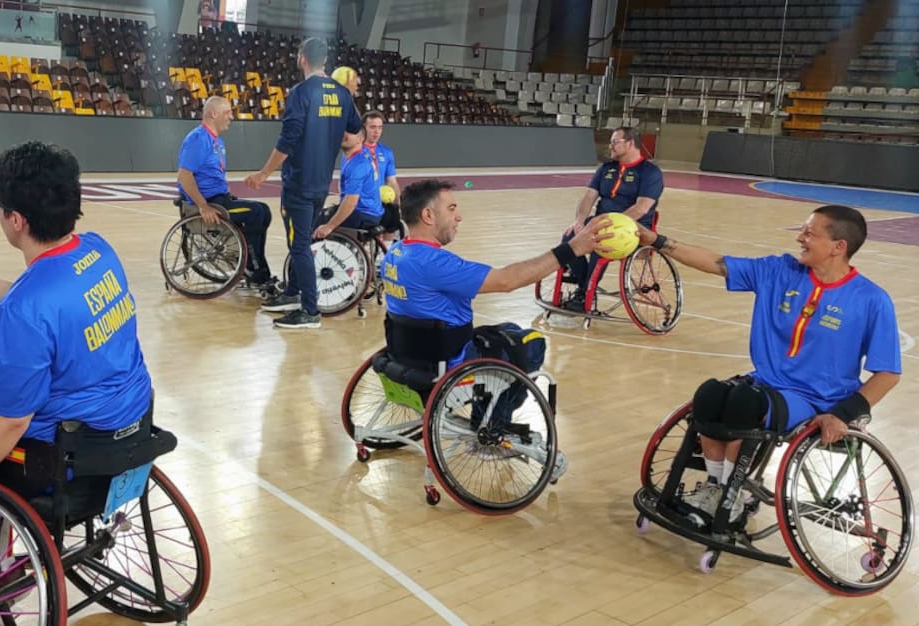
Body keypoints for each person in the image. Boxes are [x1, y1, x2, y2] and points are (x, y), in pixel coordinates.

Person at [0, 142, 160, 589]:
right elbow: (63, 311)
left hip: (66, 461)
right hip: (133, 428)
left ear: (16, 220)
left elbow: (11, 421)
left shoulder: (22, 312)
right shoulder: (98, 251)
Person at [637, 205, 900, 519]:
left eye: (809, 234)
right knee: (709, 394)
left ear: (838, 247)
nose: (800, 238)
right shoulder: (780, 271)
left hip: (817, 399)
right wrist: (656, 240)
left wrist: (842, 415)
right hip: (764, 383)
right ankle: (716, 486)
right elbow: (717, 263)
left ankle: (730, 497)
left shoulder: (871, 299)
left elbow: (888, 374)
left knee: (744, 405)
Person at [380, 179, 614, 480]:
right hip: (449, 361)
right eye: (451, 209)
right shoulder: (437, 263)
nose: (459, 216)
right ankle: (491, 427)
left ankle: (487, 414)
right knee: (529, 344)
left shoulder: (395, 253)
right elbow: (507, 280)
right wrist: (571, 250)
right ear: (428, 216)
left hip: (406, 353)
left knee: (504, 330)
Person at [245, 37, 361, 329]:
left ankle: (310, 310)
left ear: (301, 59)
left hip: (298, 183)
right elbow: (355, 129)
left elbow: (289, 139)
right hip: (322, 182)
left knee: (299, 246)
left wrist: (263, 173)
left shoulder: (301, 92)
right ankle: (293, 293)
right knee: (302, 241)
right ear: (325, 61)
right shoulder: (342, 93)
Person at [561, 126, 663, 311]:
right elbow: (589, 197)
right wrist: (580, 221)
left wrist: (610, 224)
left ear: (630, 144)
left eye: (615, 142)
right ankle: (585, 281)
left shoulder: (650, 172)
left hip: (634, 229)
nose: (611, 146)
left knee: (600, 241)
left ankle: (585, 296)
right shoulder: (606, 168)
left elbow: (642, 207)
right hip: (601, 223)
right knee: (569, 237)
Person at [177, 96, 274, 288]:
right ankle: (254, 269)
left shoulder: (217, 141)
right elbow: (184, 176)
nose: (231, 116)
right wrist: (203, 206)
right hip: (210, 202)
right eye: (227, 112)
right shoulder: (197, 139)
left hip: (220, 198)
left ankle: (251, 263)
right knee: (256, 213)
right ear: (213, 114)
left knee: (264, 211)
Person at [313, 128, 382, 239]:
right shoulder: (361, 154)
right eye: (343, 131)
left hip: (362, 215)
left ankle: (308, 255)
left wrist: (329, 226)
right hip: (371, 211)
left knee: (313, 221)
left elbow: (351, 202)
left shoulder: (357, 165)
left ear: (361, 138)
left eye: (350, 132)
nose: (344, 134)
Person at [362, 109, 403, 235]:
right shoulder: (355, 151)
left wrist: (397, 205)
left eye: (380, 127)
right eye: (372, 127)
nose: (376, 131)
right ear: (364, 128)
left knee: (393, 221)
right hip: (362, 203)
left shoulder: (386, 152)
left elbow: (392, 181)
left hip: (380, 201)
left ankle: (385, 252)